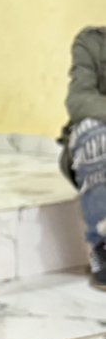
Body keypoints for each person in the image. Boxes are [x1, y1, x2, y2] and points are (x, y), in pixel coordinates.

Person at [58, 27, 106, 289]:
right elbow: (79, 99)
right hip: (101, 146)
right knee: (95, 133)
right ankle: (103, 245)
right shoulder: (92, 42)